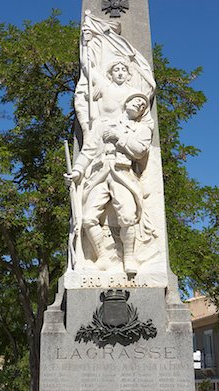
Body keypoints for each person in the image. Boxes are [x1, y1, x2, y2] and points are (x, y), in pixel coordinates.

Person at [66, 92, 154, 275]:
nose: (139, 104)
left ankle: (128, 257)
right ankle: (102, 256)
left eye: (143, 105)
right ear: (126, 102)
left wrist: (118, 137)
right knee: (88, 218)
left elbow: (139, 150)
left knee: (128, 217)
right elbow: (88, 150)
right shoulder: (101, 125)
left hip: (122, 173)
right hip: (99, 174)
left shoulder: (142, 130)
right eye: (136, 101)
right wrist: (77, 171)